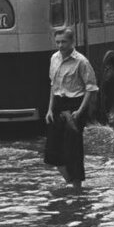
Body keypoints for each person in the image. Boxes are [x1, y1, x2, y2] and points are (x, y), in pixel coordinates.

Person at [44, 28, 98, 188]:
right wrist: (49, 110)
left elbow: (91, 88)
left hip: (75, 105)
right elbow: (53, 85)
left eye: (64, 42)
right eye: (58, 42)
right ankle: (70, 180)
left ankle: (77, 187)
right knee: (51, 151)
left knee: (73, 148)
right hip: (58, 105)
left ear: (72, 42)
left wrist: (81, 111)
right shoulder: (54, 58)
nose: (60, 45)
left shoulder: (81, 61)